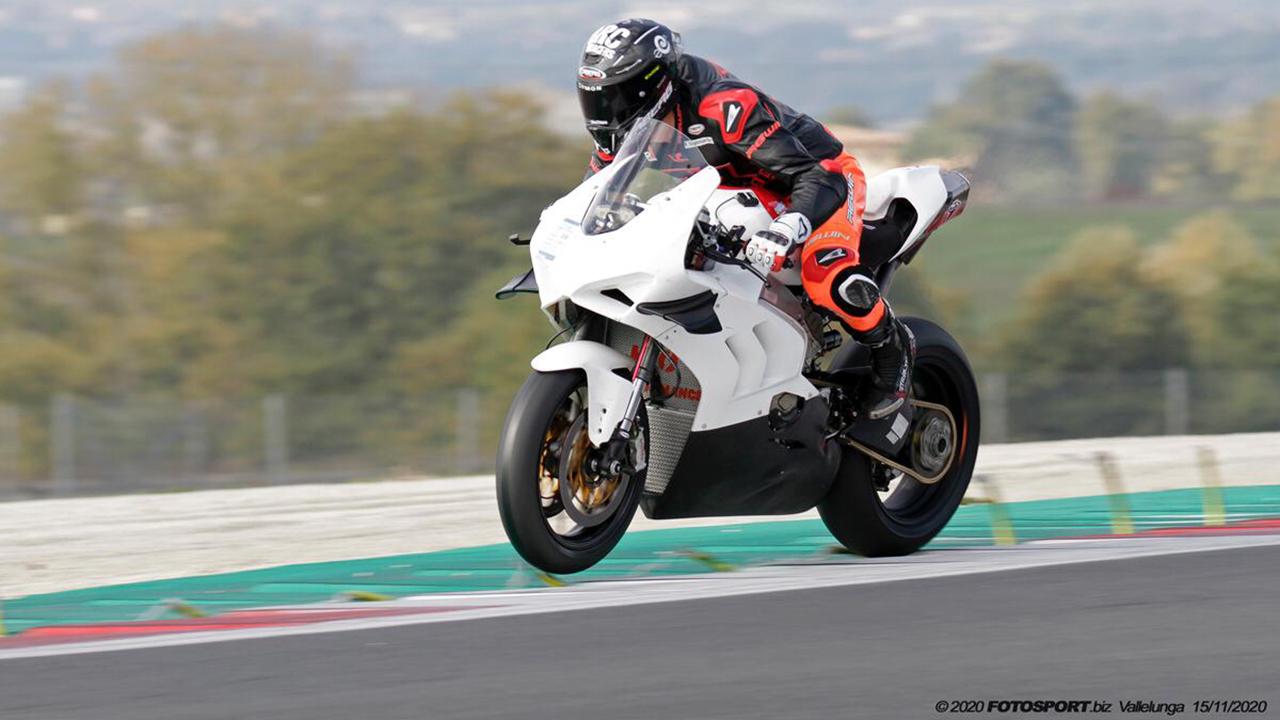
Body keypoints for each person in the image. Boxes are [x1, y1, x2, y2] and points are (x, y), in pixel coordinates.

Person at [577, 18, 913, 419]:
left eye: (613, 97)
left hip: (819, 179)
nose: (603, 112)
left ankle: (892, 348)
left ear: (653, 85)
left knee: (825, 272)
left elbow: (814, 176)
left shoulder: (722, 107)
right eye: (594, 98)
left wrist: (790, 224)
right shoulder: (627, 132)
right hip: (733, 194)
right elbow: (596, 195)